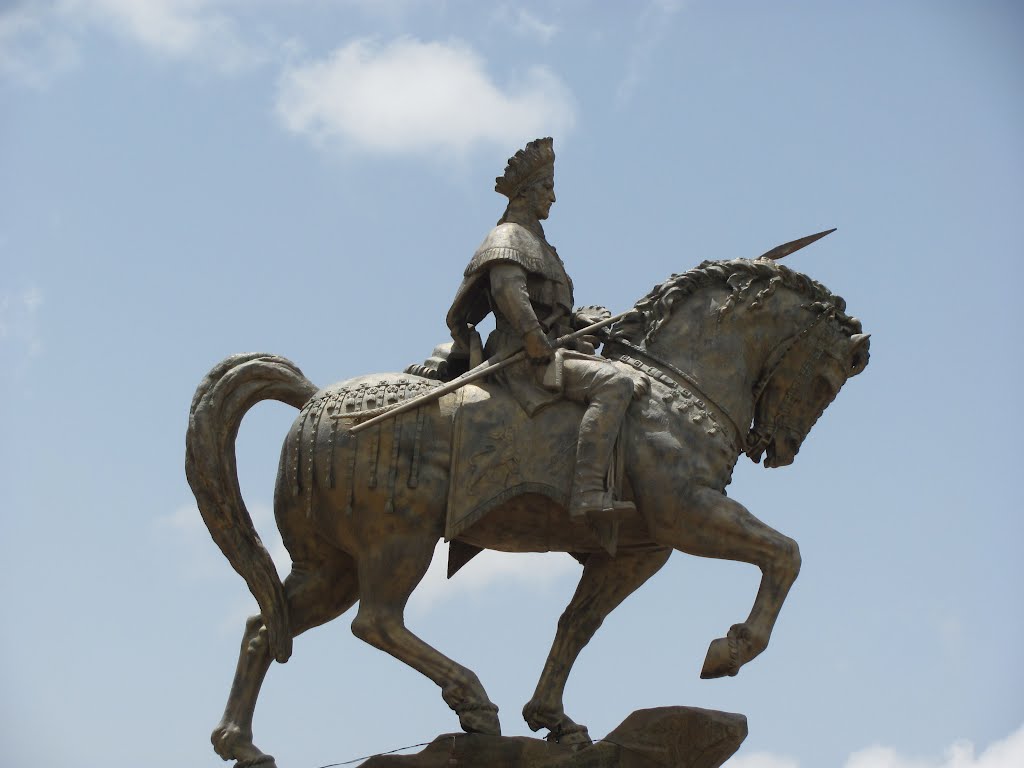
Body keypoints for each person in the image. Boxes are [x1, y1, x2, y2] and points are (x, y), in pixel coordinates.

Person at [446, 137, 646, 522]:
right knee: (615, 384)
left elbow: (549, 309)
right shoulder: (508, 238)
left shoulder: (541, 244)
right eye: (547, 188)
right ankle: (587, 490)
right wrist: (535, 339)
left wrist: (580, 323)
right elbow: (507, 290)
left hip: (549, 352)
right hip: (522, 359)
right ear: (526, 192)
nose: (553, 198)